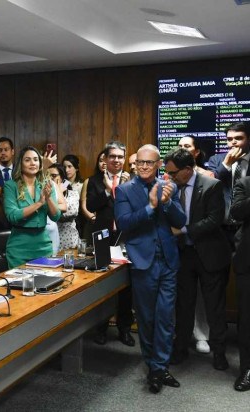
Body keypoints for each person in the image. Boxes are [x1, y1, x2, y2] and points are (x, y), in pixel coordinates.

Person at [114, 144, 186, 394]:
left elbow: (181, 221)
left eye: (149, 163)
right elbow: (123, 222)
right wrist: (151, 207)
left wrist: (166, 204)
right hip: (143, 261)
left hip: (168, 260)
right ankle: (153, 365)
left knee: (166, 317)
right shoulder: (124, 190)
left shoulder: (169, 186)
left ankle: (159, 367)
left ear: (158, 166)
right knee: (146, 317)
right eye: (139, 163)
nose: (143, 166)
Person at [164, 148, 230, 371]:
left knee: (214, 307)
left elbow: (214, 219)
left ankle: (219, 353)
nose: (170, 177)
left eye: (173, 173)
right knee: (184, 306)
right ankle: (180, 349)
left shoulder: (211, 185)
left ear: (188, 170)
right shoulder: (172, 187)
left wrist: (183, 230)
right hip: (184, 255)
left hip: (209, 255)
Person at [86, 141, 134, 347]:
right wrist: (107, 191)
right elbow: (90, 206)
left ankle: (125, 328)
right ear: (104, 159)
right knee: (103, 287)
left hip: (125, 239)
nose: (116, 160)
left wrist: (123, 187)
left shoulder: (132, 180)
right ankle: (101, 328)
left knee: (125, 288)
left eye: (120, 157)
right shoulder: (94, 180)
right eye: (112, 156)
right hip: (102, 238)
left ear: (124, 159)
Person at [177, 135, 215, 353]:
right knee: (183, 296)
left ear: (196, 152)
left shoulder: (207, 176)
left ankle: (202, 334)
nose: (183, 149)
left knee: (201, 295)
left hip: (202, 244)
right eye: (180, 146)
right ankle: (181, 336)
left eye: (187, 146)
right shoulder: (170, 177)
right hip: (179, 246)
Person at [4, 146, 64, 268]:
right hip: (19, 248)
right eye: (27, 160)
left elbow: (56, 216)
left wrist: (48, 199)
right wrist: (39, 203)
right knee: (20, 286)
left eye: (36, 159)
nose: (32, 163)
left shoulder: (46, 184)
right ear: (21, 163)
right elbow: (13, 216)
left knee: (45, 285)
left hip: (43, 246)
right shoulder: (11, 186)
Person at [207, 121, 249, 246]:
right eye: (229, 139)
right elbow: (210, 186)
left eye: (239, 138)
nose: (233, 142)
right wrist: (226, 165)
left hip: (246, 226)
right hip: (221, 227)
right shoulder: (216, 160)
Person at [231, 176, 250, 391]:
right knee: (247, 319)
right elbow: (235, 213)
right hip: (248, 262)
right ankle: (247, 368)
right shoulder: (245, 184)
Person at [48, 164, 79, 251]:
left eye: (53, 176)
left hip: (68, 239)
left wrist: (59, 194)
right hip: (49, 238)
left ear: (62, 177)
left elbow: (71, 212)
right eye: (47, 176)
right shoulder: (44, 194)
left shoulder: (73, 193)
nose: (50, 179)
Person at [80, 151, 106, 244]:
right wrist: (91, 217)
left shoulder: (117, 179)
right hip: (93, 222)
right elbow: (83, 205)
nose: (103, 163)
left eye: (106, 160)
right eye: (100, 161)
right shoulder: (89, 180)